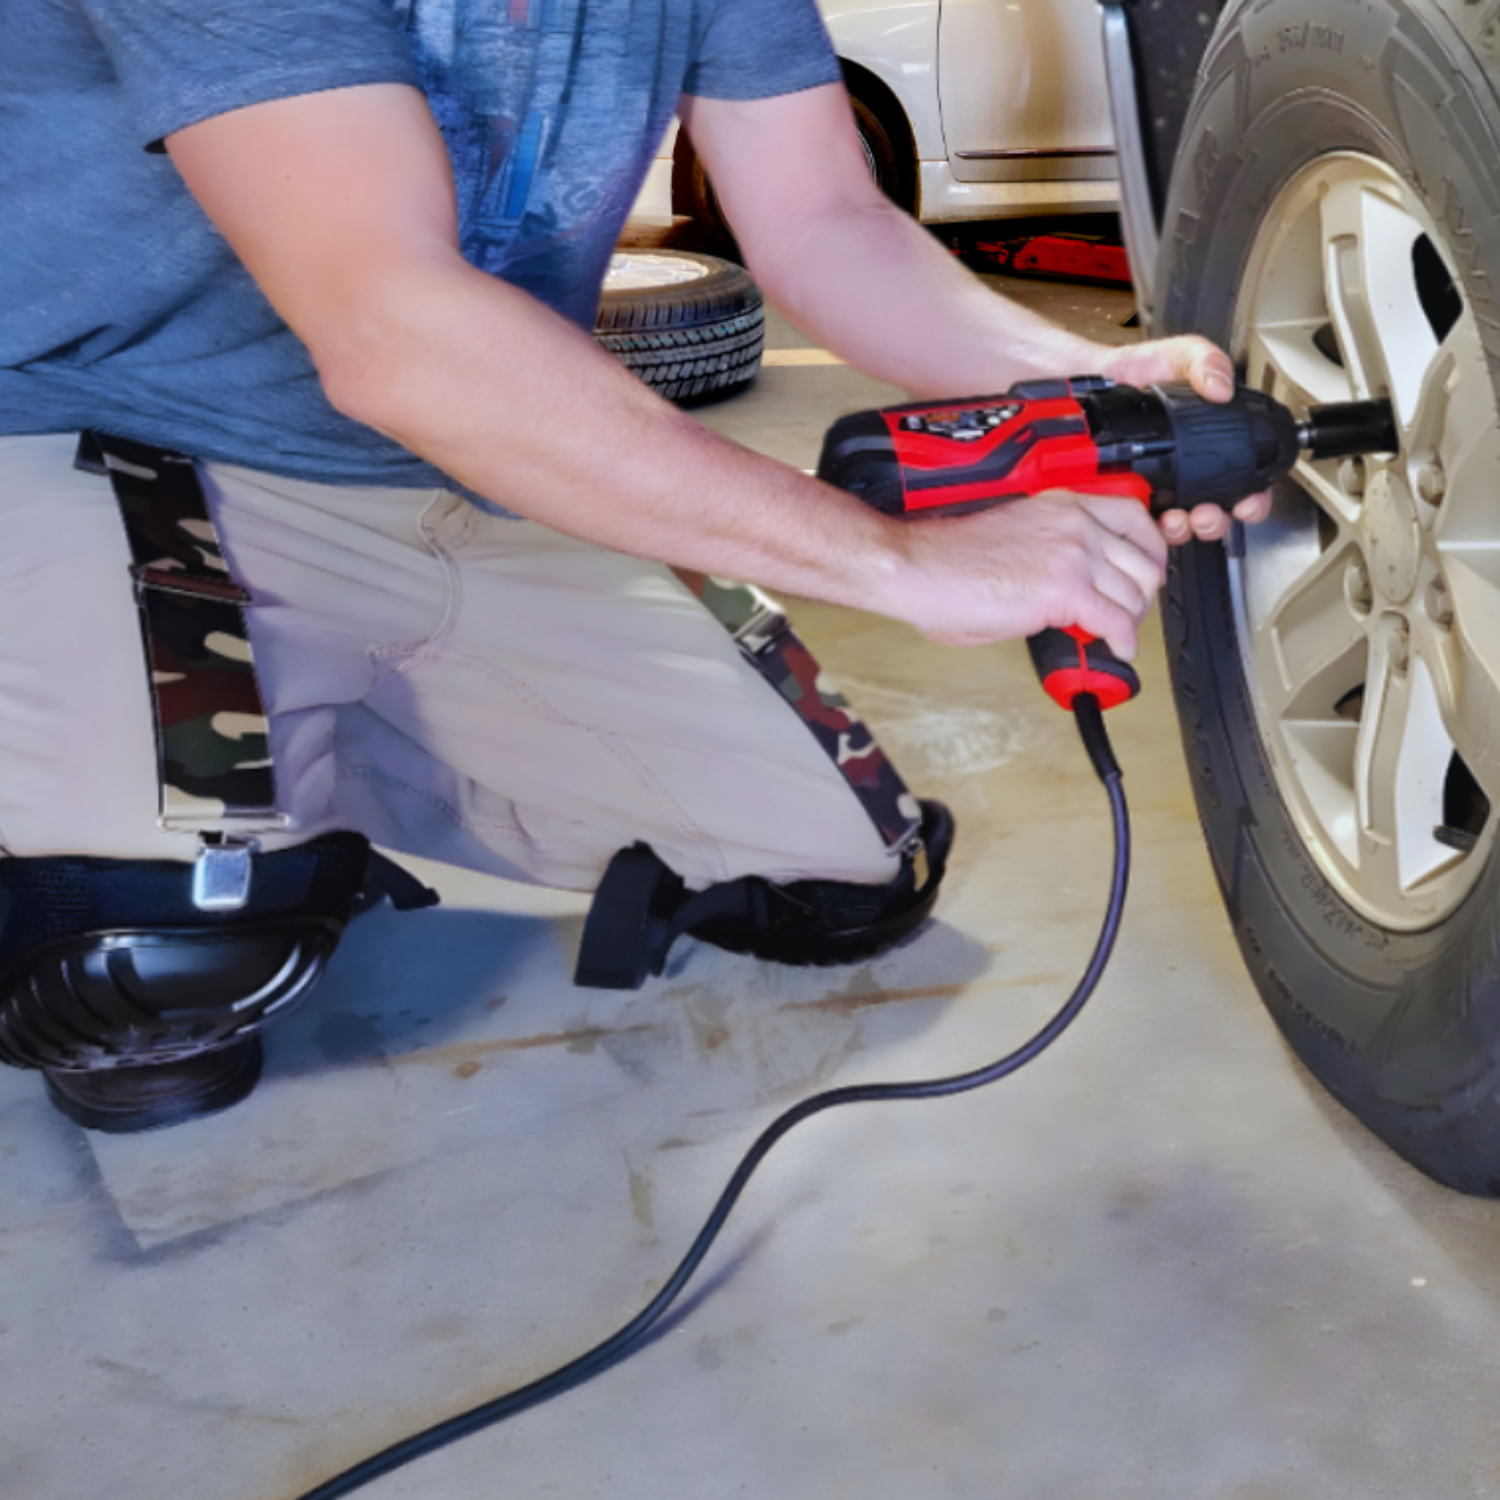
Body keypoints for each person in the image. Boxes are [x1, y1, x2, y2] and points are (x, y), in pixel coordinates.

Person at [0, 0, 1267, 1126]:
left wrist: (1083, 383)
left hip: (482, 469)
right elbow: (394, 332)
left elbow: (827, 223)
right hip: (121, 446)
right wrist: (903, 563)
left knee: (835, 876)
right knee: (145, 957)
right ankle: (185, 789)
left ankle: (299, 754)